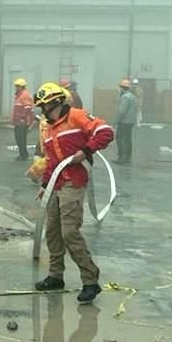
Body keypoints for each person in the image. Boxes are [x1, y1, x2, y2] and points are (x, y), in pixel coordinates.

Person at [33, 82, 114, 302]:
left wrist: (85, 151)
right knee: (52, 232)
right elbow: (52, 161)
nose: (42, 112)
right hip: (56, 185)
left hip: (73, 183)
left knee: (69, 232)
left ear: (55, 103)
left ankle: (90, 280)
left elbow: (106, 132)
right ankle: (55, 276)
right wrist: (44, 185)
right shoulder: (49, 129)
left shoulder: (77, 117)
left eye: (44, 107)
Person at [114, 78, 139, 164]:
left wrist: (116, 122)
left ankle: (121, 157)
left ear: (122, 87)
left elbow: (122, 111)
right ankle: (127, 158)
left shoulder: (125, 97)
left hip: (123, 122)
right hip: (130, 122)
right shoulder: (133, 96)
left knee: (119, 138)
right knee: (128, 140)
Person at [11, 78, 35, 161]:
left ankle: (23, 155)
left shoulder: (24, 95)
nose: (16, 88)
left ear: (21, 87)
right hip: (19, 122)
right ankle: (23, 154)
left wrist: (22, 118)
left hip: (22, 122)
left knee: (21, 138)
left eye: (17, 86)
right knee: (19, 138)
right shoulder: (19, 95)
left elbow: (27, 107)